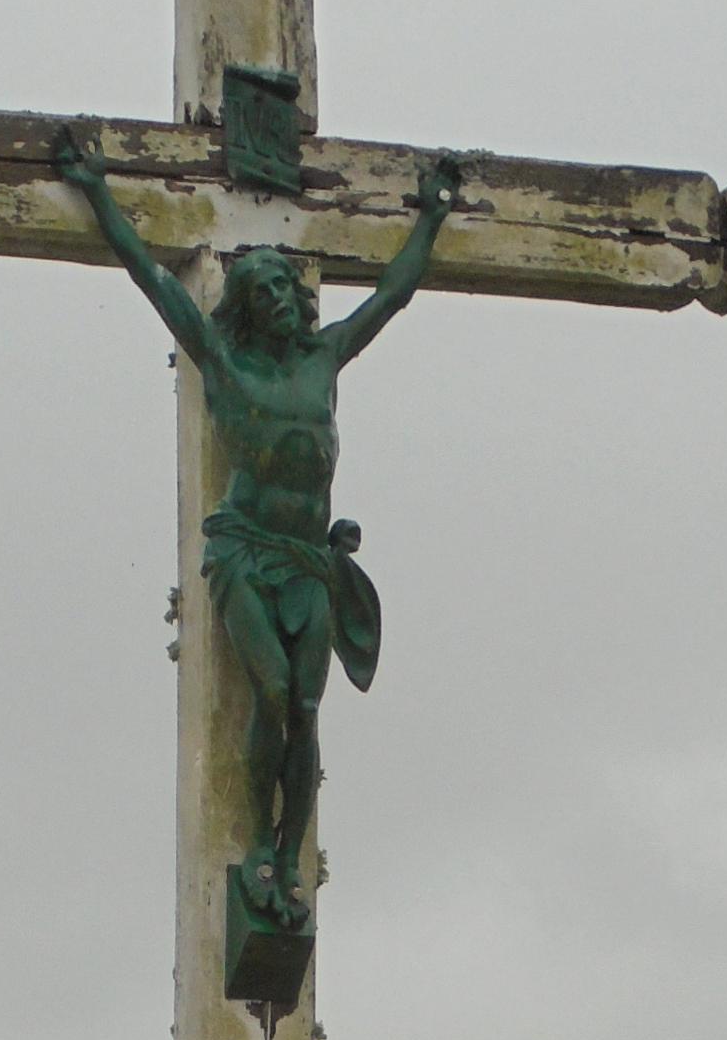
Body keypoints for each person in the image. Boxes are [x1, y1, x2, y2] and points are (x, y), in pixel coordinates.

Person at [56, 130, 461, 926]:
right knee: (272, 694)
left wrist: (432, 219)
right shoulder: (225, 364)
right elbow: (151, 279)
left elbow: (394, 295)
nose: (280, 297)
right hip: (245, 554)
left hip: (307, 560)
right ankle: (257, 845)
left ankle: (288, 853)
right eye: (266, 289)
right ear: (247, 304)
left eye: (287, 287)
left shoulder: (324, 359)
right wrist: (99, 192)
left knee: (307, 712)